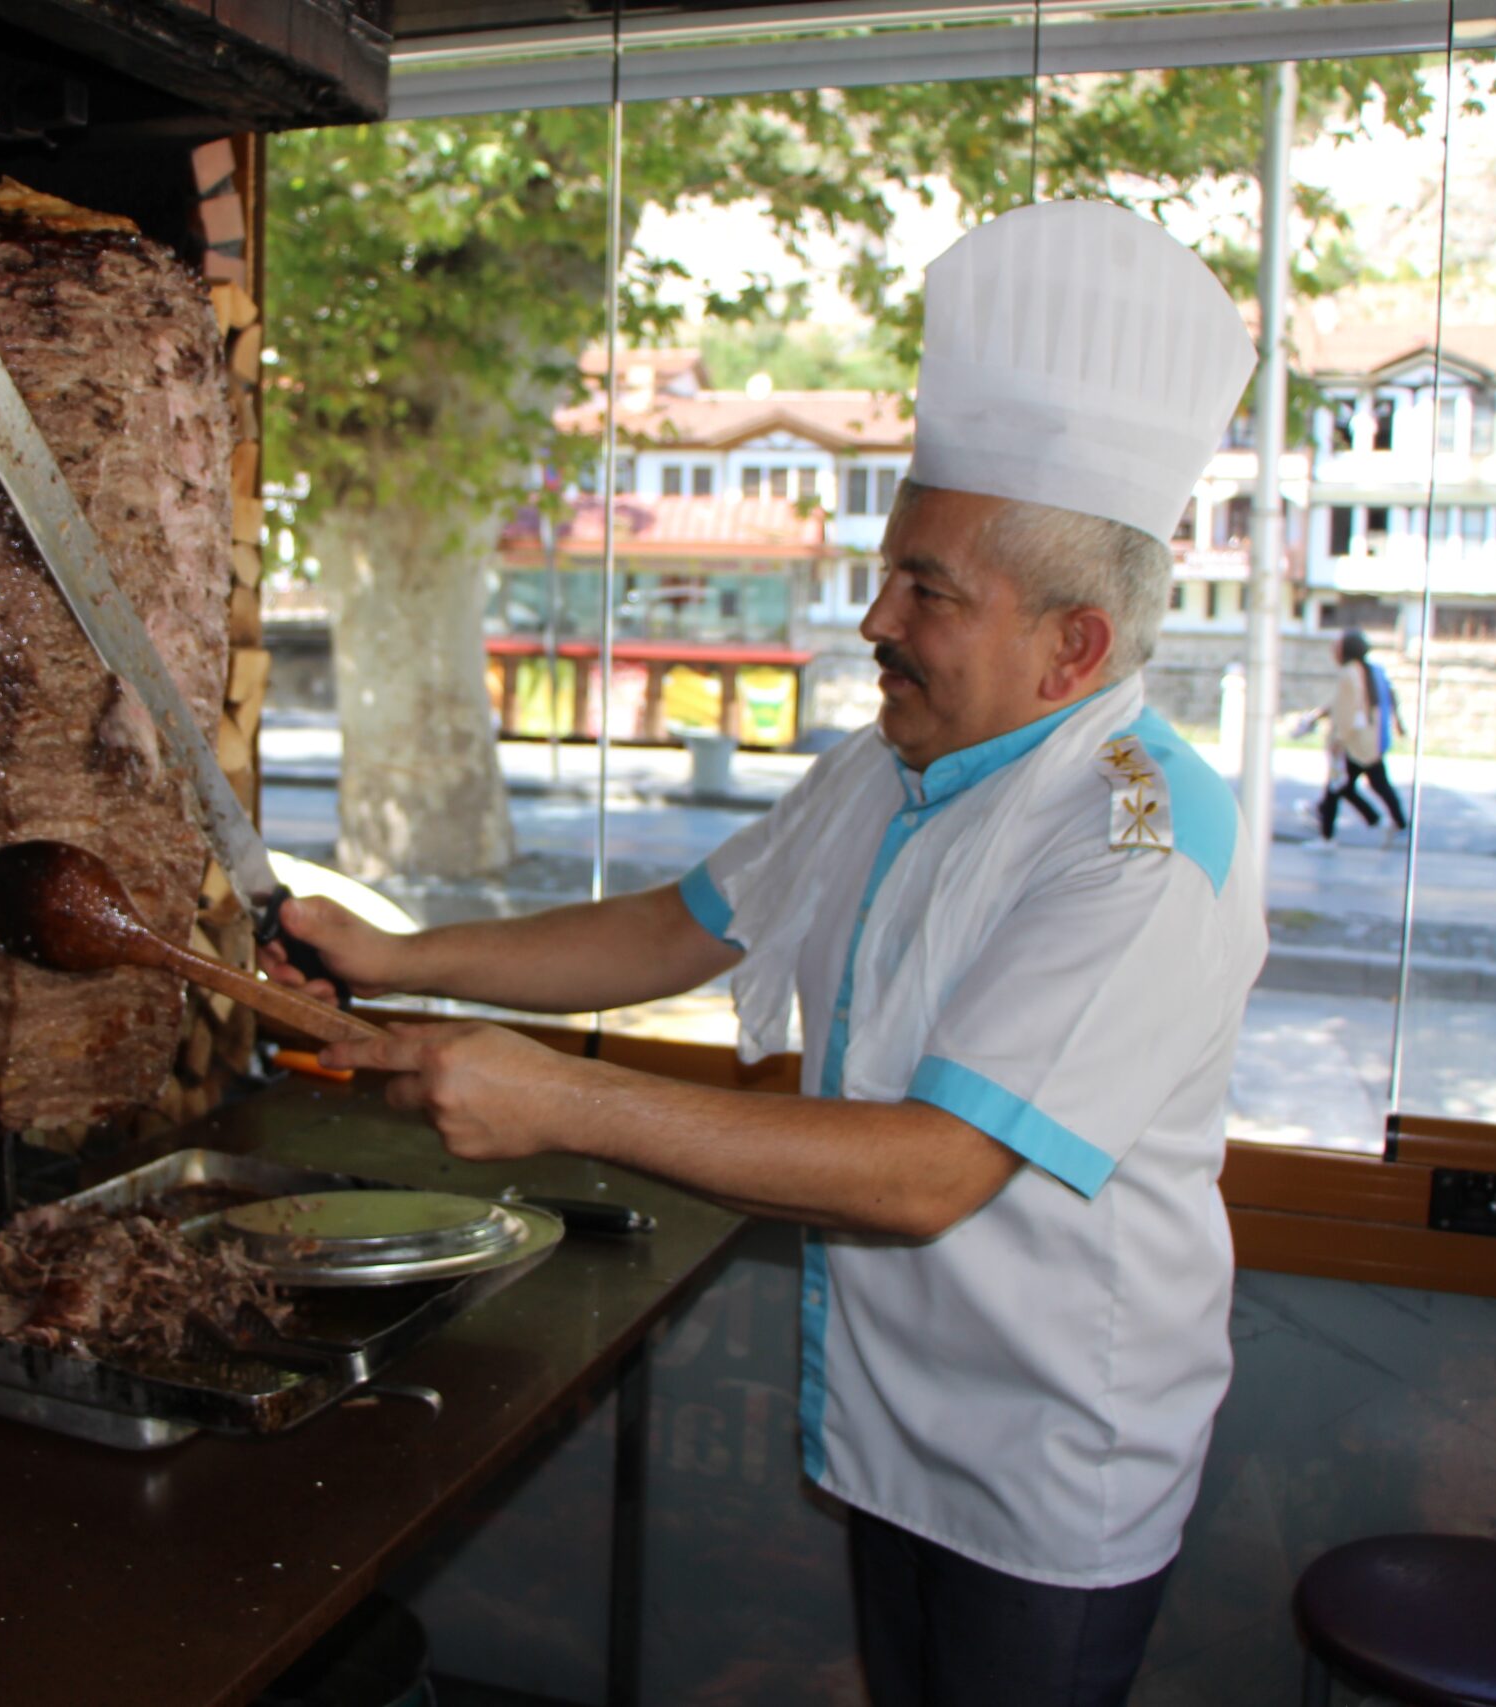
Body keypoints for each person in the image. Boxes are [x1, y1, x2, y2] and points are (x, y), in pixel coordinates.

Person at [262, 202, 1266, 1707]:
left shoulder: (1143, 838)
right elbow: (678, 924)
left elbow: (932, 1166)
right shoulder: (894, 758)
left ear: (1075, 645)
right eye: (889, 570)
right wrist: (399, 956)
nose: (873, 618)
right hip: (898, 1398)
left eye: (930, 589)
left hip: (1055, 1446)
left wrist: (562, 1103)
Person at [1304, 631, 1407, 844]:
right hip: (1370, 741)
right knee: (1365, 784)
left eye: (1337, 646)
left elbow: (1347, 709)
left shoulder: (1350, 674)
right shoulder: (1369, 670)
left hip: (1355, 743)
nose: (1333, 651)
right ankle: (1389, 821)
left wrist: (1339, 739)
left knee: (1339, 786)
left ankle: (1329, 836)